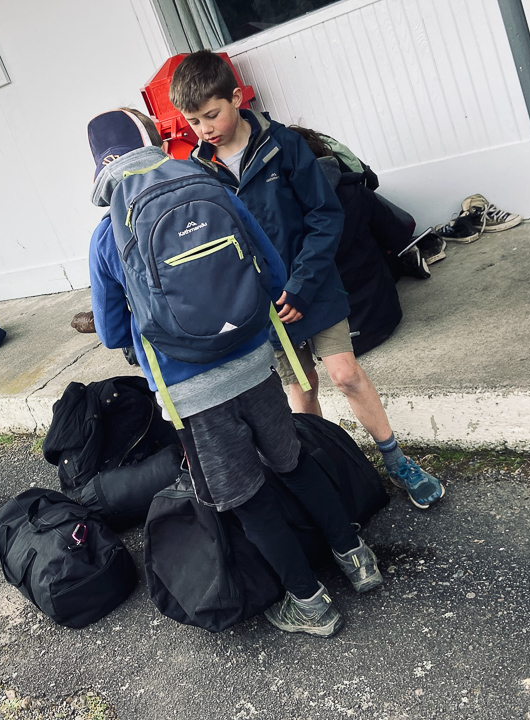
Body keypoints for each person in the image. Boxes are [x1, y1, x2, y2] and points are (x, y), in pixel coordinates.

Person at [87, 108, 381, 637]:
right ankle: (357, 560)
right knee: (294, 463)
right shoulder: (208, 186)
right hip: (253, 361)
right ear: (157, 145)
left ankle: (312, 604)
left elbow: (110, 333)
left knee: (249, 498)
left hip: (189, 390)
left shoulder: (107, 234)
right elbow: (271, 268)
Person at [170, 51, 445, 510]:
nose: (205, 129)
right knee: (302, 387)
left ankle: (396, 460)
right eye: (193, 122)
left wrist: (301, 285)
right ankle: (329, 469)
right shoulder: (200, 172)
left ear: (236, 97)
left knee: (346, 375)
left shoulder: (283, 145)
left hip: (313, 287)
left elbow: (324, 216)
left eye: (212, 115)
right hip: (265, 308)